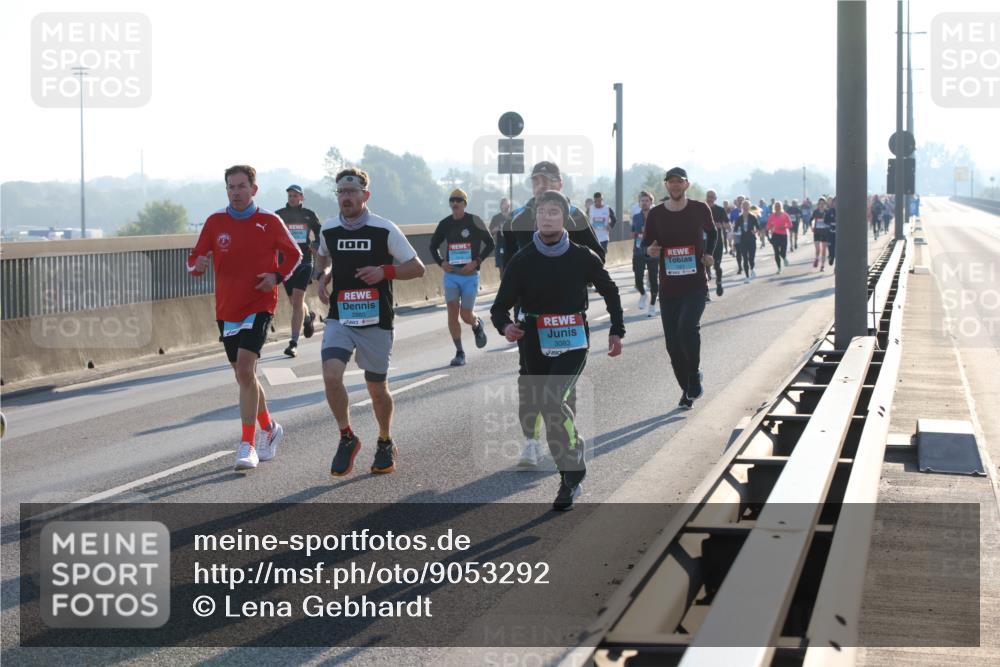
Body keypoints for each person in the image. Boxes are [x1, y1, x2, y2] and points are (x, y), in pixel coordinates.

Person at [491, 190, 624, 511]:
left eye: (554, 212)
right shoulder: (522, 261)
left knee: (552, 401)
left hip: (573, 339)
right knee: (547, 407)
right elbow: (499, 308)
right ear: (535, 218)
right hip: (534, 341)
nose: (548, 218)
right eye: (542, 213)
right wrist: (506, 327)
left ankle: (570, 474)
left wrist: (616, 330)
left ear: (564, 218)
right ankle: (571, 457)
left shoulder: (582, 256)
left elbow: (610, 290)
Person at [187, 165, 301, 471]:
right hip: (227, 308)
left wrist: (275, 276)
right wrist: (197, 265)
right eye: (231, 187)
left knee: (247, 368)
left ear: (254, 189)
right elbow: (195, 260)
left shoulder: (269, 221)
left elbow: (295, 255)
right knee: (243, 375)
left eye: (241, 186)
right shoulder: (215, 222)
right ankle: (269, 427)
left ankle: (247, 444)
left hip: (259, 303)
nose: (236, 192)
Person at [316, 168, 426, 477]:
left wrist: (384, 272)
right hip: (341, 316)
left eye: (352, 192)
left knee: (377, 388)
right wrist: (322, 278)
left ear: (366, 195)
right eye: (341, 192)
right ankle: (347, 436)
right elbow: (323, 255)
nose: (346, 197)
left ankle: (385, 440)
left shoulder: (384, 229)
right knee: (331, 375)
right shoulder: (329, 229)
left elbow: (417, 268)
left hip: (377, 319)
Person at [501, 162, 603, 468]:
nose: (540, 185)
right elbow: (506, 268)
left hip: (568, 317)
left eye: (546, 180)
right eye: (535, 181)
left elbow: (599, 258)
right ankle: (531, 443)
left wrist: (571, 278)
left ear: (559, 184)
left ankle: (563, 435)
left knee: (561, 382)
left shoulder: (575, 217)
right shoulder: (518, 219)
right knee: (530, 381)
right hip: (530, 318)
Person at [643, 167, 718, 410]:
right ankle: (687, 388)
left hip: (695, 283)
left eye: (679, 182)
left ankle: (694, 376)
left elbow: (713, 232)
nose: (675, 186)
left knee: (687, 329)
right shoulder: (656, 214)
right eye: (671, 182)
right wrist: (651, 251)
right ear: (666, 185)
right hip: (668, 287)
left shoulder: (699, 209)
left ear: (686, 185)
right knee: (672, 345)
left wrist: (708, 254)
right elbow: (648, 245)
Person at [429, 188, 494, 366]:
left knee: (465, 314)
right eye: (452, 201)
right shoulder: (445, 223)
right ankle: (460, 352)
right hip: (452, 275)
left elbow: (490, 244)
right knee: (452, 312)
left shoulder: (475, 221)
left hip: (470, 275)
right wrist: (442, 263)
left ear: (465, 204)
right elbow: (433, 246)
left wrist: (476, 262)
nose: (455, 204)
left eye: (458, 201)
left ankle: (476, 323)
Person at [275, 184, 323, 357]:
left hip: (304, 262)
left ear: (302, 197)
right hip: (286, 264)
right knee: (293, 302)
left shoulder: (309, 215)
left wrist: (316, 245)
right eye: (289, 196)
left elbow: (320, 233)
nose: (292, 198)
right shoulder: (279, 215)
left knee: (296, 302)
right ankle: (308, 317)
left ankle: (293, 343)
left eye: (295, 196)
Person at [631, 191, 659, 316]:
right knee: (638, 280)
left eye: (646, 200)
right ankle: (643, 294)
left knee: (653, 281)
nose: (644, 203)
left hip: (653, 251)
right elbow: (633, 232)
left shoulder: (656, 216)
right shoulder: (636, 217)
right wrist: (639, 234)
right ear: (639, 203)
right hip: (639, 251)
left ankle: (652, 306)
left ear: (651, 202)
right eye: (642, 201)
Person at [705, 190, 728, 297]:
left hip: (717, 242)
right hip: (704, 242)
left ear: (715, 198)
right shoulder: (702, 209)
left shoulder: (720, 210)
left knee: (717, 266)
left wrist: (721, 226)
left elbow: (728, 225)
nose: (709, 199)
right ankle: (706, 291)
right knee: (705, 268)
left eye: (712, 197)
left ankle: (718, 282)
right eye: (708, 196)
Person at [733, 199, 759, 283]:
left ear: (749, 207)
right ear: (742, 207)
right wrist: (735, 231)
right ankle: (747, 277)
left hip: (751, 239)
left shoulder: (753, 217)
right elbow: (735, 229)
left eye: (747, 206)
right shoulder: (739, 218)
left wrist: (755, 231)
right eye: (744, 206)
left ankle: (752, 268)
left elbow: (758, 227)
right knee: (745, 258)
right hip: (743, 240)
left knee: (751, 258)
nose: (745, 207)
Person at [766, 200, 793, 274]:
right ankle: (779, 268)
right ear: (774, 207)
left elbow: (790, 225)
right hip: (775, 235)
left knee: (782, 252)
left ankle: (784, 258)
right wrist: (767, 232)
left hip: (783, 235)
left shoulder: (785, 215)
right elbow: (768, 225)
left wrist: (784, 226)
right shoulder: (772, 215)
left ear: (781, 207)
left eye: (779, 206)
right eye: (776, 206)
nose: (777, 207)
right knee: (776, 252)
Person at [489, 198, 512, 270]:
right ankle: (503, 280)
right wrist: (494, 230)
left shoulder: (513, 216)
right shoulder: (496, 218)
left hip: (511, 245)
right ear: (501, 206)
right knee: (501, 267)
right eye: (505, 204)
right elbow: (490, 233)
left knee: (511, 266)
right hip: (500, 244)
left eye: (508, 204)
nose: (507, 205)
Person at [810, 197, 831, 270]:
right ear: (818, 204)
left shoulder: (827, 212)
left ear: (825, 204)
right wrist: (811, 227)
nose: (821, 205)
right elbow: (810, 220)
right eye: (820, 204)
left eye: (823, 204)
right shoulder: (815, 212)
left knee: (824, 250)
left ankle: (822, 265)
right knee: (818, 249)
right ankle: (816, 258)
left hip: (825, 233)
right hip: (817, 232)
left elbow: (831, 220)